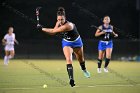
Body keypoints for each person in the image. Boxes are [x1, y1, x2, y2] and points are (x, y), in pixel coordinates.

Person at [37, 7, 90, 87]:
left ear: (65, 18)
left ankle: (84, 69)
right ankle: (71, 79)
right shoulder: (58, 22)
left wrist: (42, 28)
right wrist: (43, 29)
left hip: (77, 42)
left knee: (80, 59)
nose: (60, 21)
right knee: (68, 59)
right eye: (58, 19)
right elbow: (54, 32)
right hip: (67, 42)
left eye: (61, 19)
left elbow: (53, 31)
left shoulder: (68, 25)